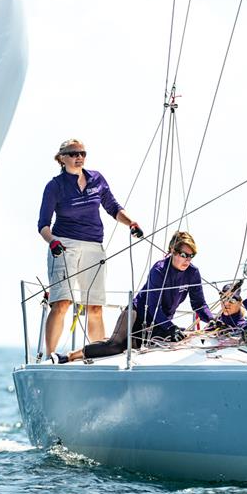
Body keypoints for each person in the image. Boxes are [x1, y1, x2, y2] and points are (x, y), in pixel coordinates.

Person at [38, 138, 143, 355]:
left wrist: (130, 223)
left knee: (94, 307)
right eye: (74, 153)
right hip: (64, 245)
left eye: (83, 153)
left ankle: (99, 355)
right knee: (62, 303)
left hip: (94, 246)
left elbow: (113, 207)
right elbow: (43, 225)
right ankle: (49, 355)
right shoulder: (54, 186)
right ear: (62, 158)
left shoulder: (96, 179)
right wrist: (53, 242)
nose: (79, 157)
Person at [54, 231, 215, 363]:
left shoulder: (193, 273)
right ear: (172, 251)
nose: (187, 259)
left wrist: (212, 319)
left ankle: (115, 337)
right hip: (137, 313)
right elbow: (153, 307)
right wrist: (170, 327)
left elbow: (199, 304)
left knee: (175, 341)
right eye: (183, 254)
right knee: (115, 346)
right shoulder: (159, 270)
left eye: (191, 255)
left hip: (159, 321)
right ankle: (70, 356)